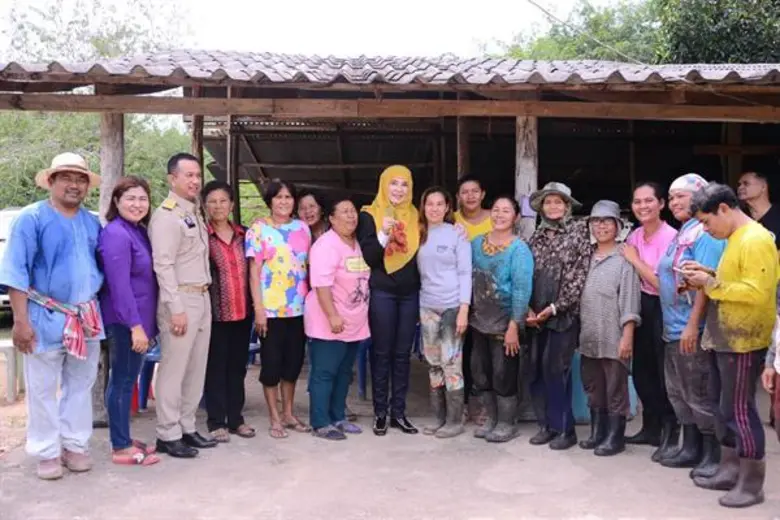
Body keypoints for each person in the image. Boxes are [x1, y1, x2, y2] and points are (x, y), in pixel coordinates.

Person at [0, 152, 104, 480]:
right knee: (43, 387)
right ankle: (46, 449)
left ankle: (74, 444)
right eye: (67, 178)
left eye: (81, 179)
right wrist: (20, 321)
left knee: (80, 384)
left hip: (85, 316)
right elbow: (15, 270)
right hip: (43, 316)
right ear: (51, 182)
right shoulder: (31, 219)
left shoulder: (91, 222)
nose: (74, 185)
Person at [682, 183, 777, 508]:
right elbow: (737, 279)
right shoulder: (735, 238)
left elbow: (757, 292)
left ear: (724, 209)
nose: (706, 230)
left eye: (707, 222)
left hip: (743, 339)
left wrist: (709, 283)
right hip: (725, 335)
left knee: (739, 410)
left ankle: (751, 485)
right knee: (723, 407)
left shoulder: (756, 240)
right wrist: (707, 273)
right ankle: (729, 468)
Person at [655, 173, 725, 472]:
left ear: (699, 196)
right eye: (671, 198)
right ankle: (691, 446)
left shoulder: (705, 233)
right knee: (678, 391)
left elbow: (705, 284)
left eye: (680, 196)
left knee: (699, 391)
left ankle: (712, 454)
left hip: (692, 328)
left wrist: (691, 325)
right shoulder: (684, 232)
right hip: (673, 327)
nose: (674, 203)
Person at [149, 152, 216, 458]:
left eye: (197, 175)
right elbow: (163, 265)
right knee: (174, 370)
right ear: (171, 179)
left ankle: (187, 427)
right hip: (180, 299)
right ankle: (168, 432)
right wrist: (175, 307)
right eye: (188, 175)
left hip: (201, 296)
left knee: (196, 368)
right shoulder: (167, 215)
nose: (194, 181)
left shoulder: (193, 212)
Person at [99, 176, 160, 466]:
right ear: (116, 202)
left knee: (127, 379)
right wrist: (136, 327)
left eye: (143, 199)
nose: (137, 204)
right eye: (130, 198)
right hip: (125, 322)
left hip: (140, 322)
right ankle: (120, 447)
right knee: (122, 381)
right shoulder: (116, 234)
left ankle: (123, 437)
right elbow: (119, 286)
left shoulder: (137, 231)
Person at [526, 182, 591, 450]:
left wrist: (556, 307)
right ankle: (546, 426)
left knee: (557, 370)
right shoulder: (535, 237)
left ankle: (565, 428)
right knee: (536, 371)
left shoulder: (578, 233)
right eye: (548, 202)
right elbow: (526, 275)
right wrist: (528, 309)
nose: (553, 206)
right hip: (535, 317)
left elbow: (579, 274)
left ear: (567, 206)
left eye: (558, 202)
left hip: (562, 315)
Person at [357, 165, 421, 436]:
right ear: (384, 185)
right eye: (393, 183)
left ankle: (399, 413)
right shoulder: (369, 215)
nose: (398, 189)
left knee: (402, 355)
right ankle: (380, 413)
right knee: (381, 352)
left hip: (409, 293)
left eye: (404, 184)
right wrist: (383, 233)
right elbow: (370, 257)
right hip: (382, 290)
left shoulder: (417, 216)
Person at [246, 179, 312, 439]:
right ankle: (274, 416)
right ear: (270, 201)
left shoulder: (302, 228)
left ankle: (288, 413)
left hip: (299, 309)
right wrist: (259, 310)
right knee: (271, 365)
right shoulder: (259, 229)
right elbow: (254, 273)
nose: (284, 201)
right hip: (271, 311)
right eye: (278, 197)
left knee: (293, 364)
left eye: (288, 197)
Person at [578, 200, 641, 457]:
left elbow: (629, 300)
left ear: (618, 226)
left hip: (614, 336)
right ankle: (597, 433)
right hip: (589, 336)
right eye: (596, 221)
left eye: (607, 221)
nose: (601, 226)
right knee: (594, 386)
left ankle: (616, 437)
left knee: (615, 387)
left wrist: (627, 336)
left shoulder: (624, 259)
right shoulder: (586, 257)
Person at [305, 198, 370, 440]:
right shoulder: (326, 245)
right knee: (324, 372)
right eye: (344, 212)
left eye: (353, 211)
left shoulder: (358, 243)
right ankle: (321, 422)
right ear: (331, 218)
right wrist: (332, 315)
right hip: (330, 320)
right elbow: (321, 285)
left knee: (344, 372)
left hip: (354, 321)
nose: (351, 216)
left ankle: (338, 416)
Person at [470, 196, 534, 442]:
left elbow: (521, 289)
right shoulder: (476, 244)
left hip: (505, 325)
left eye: (506, 211)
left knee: (503, 374)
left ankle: (507, 422)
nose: (499, 215)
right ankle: (492, 419)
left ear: (516, 217)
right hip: (479, 322)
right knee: (481, 373)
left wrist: (514, 326)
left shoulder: (519, 249)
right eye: (496, 210)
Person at [621, 182, 679, 454]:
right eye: (637, 202)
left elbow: (664, 285)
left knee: (662, 372)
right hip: (641, 305)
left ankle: (670, 430)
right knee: (642, 372)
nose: (642, 206)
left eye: (648, 201)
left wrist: (635, 261)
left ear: (661, 204)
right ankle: (650, 427)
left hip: (664, 306)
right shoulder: (634, 236)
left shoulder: (672, 238)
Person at [417, 187, 472, 439]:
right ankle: (438, 416)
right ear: (423, 206)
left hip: (451, 306)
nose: (435, 208)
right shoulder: (418, 233)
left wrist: (464, 309)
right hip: (427, 305)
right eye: (430, 204)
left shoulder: (457, 235)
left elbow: (465, 273)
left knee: (451, 363)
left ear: (448, 207)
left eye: (440, 204)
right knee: (433, 363)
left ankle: (454, 419)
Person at [202, 180, 255, 442]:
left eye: (223, 201)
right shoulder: (202, 236)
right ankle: (216, 421)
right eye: (212, 201)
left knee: (237, 368)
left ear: (232, 204)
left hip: (243, 312)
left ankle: (236, 419)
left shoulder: (245, 235)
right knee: (215, 368)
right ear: (205, 206)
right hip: (214, 314)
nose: (218, 206)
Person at [452, 175, 492, 424]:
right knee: (462, 352)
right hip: (458, 294)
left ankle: (487, 405)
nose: (470, 196)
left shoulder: (494, 218)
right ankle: (464, 404)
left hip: (490, 296)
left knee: (485, 353)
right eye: (464, 192)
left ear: (483, 194)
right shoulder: (451, 221)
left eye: (474, 191)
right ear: (458, 196)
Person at [737, 171, 780, 248]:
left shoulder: (777, 213)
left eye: (746, 183)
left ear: (763, 187)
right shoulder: (740, 216)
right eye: (739, 184)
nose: (740, 187)